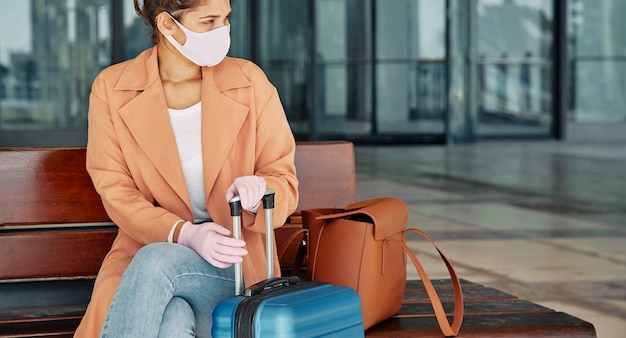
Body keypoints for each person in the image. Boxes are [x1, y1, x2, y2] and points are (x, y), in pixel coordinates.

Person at [74, 0, 299, 336]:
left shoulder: (250, 82)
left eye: (225, 19)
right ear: (167, 25)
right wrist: (185, 234)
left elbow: (282, 180)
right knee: (172, 318)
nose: (222, 31)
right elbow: (116, 190)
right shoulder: (112, 88)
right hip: (145, 262)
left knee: (156, 262)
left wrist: (258, 193)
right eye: (208, 21)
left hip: (233, 265)